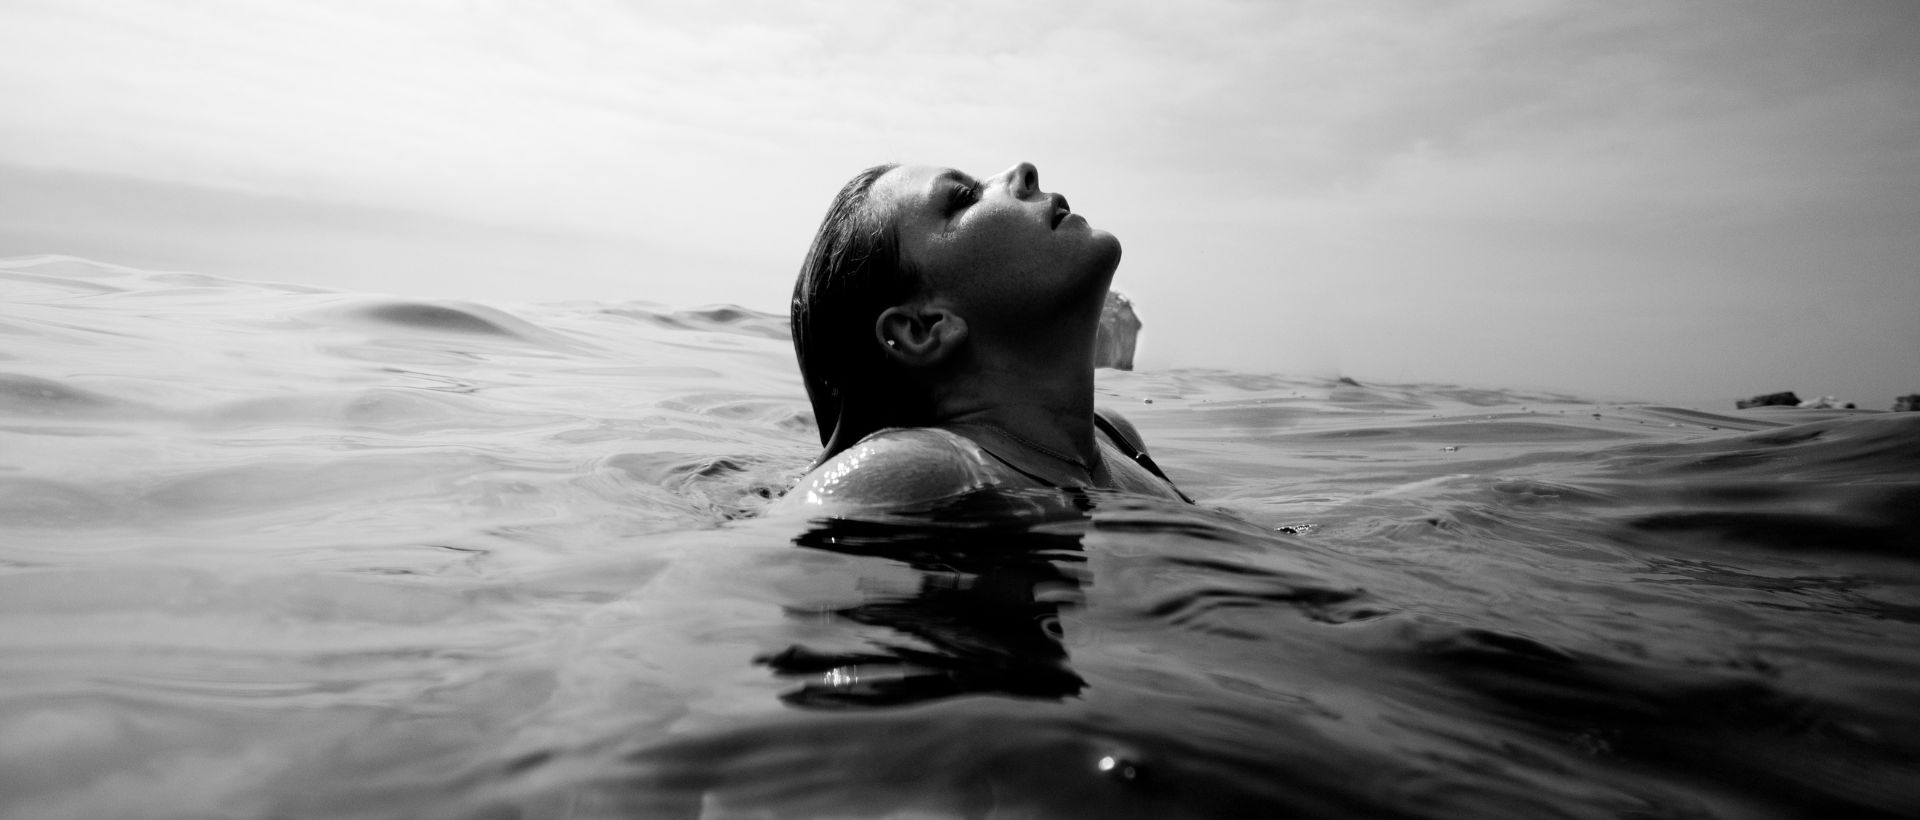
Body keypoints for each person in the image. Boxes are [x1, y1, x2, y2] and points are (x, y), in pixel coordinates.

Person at [779, 161, 1191, 510]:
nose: (1023, 173)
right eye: (964, 198)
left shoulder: (1113, 437)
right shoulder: (922, 466)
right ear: (922, 329)